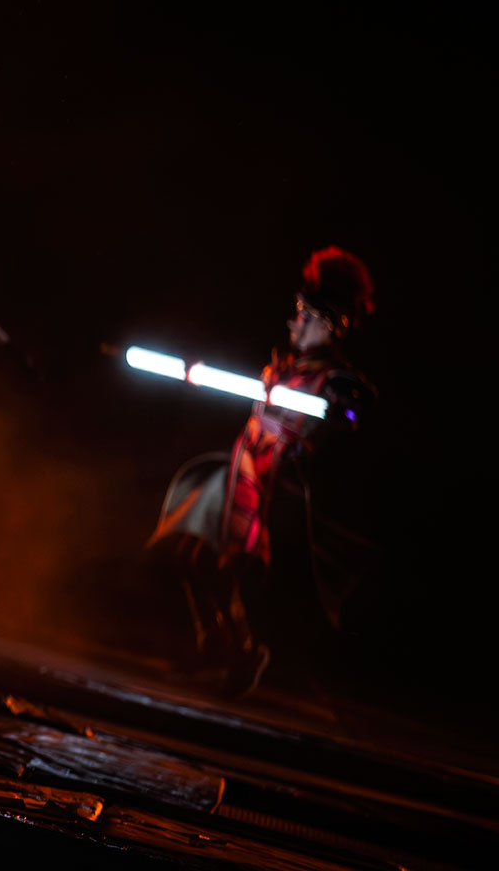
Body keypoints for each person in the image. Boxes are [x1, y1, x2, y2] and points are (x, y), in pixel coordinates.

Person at [149, 247, 376, 696]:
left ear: (327, 324)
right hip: (243, 474)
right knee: (190, 559)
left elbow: (354, 410)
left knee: (233, 568)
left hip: (277, 492)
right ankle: (218, 645)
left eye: (303, 316)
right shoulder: (281, 369)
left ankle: (245, 652)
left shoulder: (333, 381)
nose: (294, 323)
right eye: (296, 314)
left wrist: (338, 410)